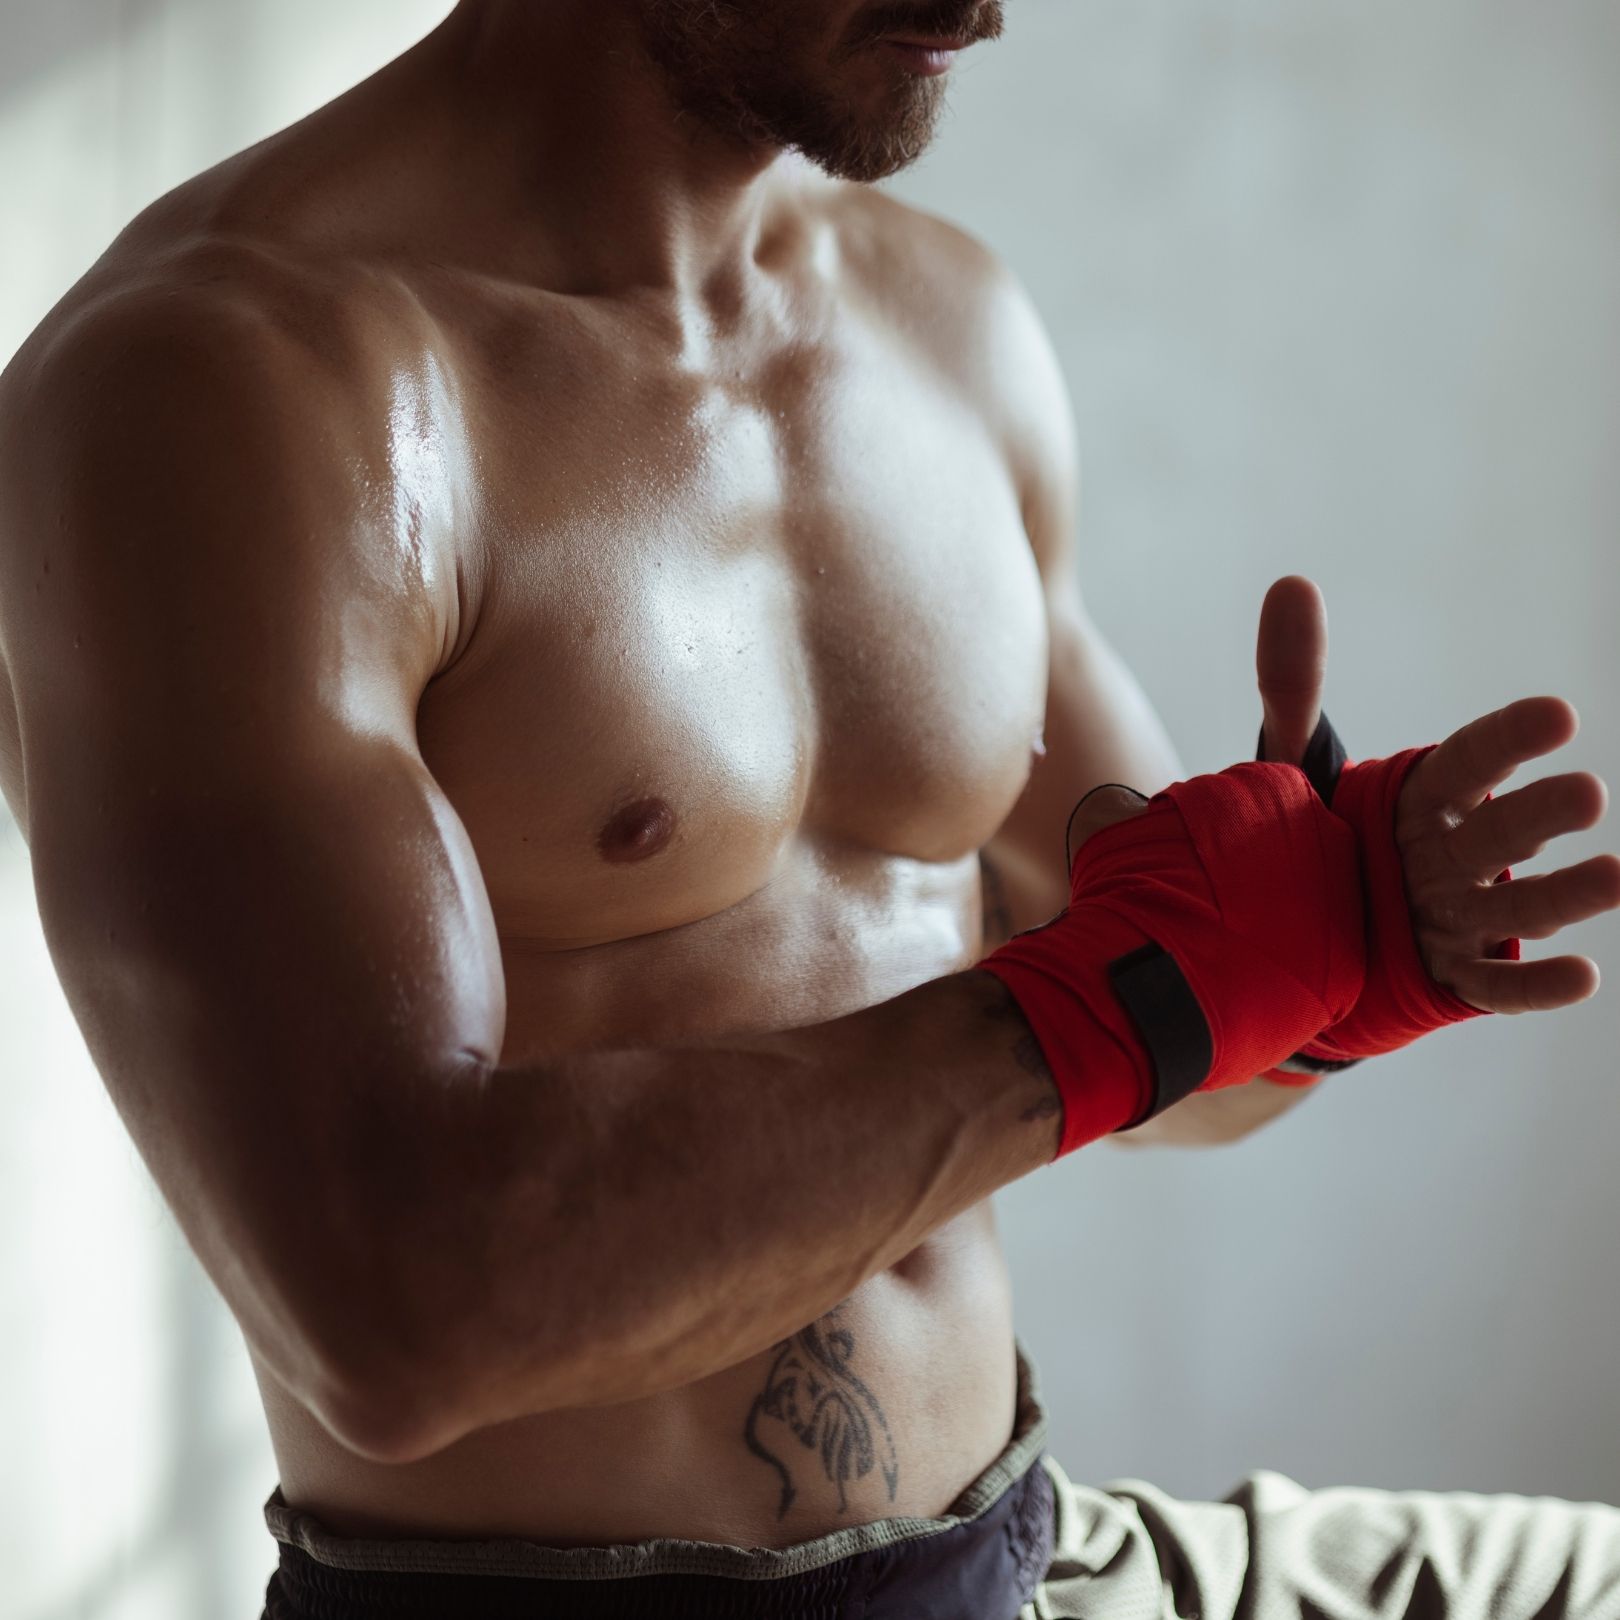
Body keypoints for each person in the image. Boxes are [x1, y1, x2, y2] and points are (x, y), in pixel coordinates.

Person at [0, 2, 1616, 1615]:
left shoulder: (947, 324)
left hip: (1023, 1555)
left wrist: (1331, 968)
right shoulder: (222, 389)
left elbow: (1171, 1047)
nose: (982, 8)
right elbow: (389, 1312)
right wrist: (1117, 1011)